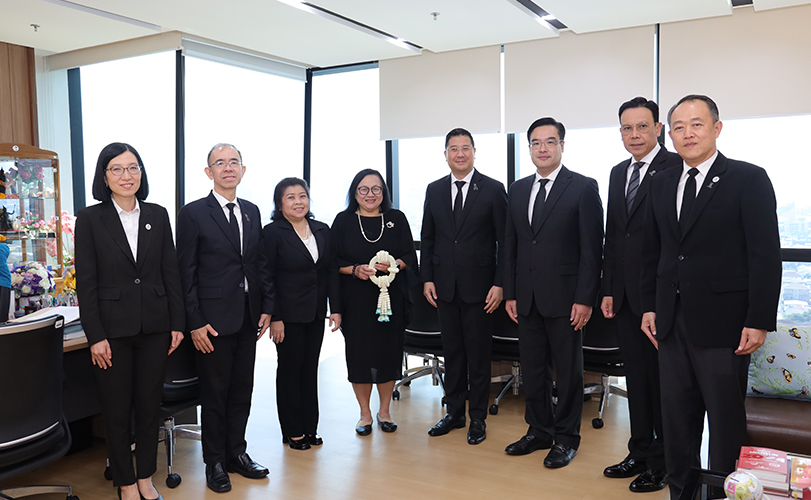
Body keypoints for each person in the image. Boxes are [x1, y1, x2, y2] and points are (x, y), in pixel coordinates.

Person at [640, 95, 782, 500]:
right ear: (670, 134)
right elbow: (654, 251)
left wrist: (758, 319)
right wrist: (649, 305)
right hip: (670, 322)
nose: (688, 133)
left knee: (724, 422)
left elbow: (765, 254)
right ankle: (681, 492)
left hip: (725, 324)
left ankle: (725, 493)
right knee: (677, 420)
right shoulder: (661, 182)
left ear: (716, 128)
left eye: (697, 124)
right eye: (679, 127)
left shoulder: (748, 178)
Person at [75, 142, 184, 500]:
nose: (127, 175)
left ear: (141, 173)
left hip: (155, 327)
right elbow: (86, 283)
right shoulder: (90, 219)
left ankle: (145, 477)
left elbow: (170, 272)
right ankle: (125, 482)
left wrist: (177, 323)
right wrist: (95, 335)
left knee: (149, 407)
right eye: (117, 169)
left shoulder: (158, 214)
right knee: (117, 410)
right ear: (104, 176)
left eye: (133, 167)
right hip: (111, 331)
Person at [503, 117, 604, 468]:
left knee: (568, 372)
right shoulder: (517, 189)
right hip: (526, 297)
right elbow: (511, 245)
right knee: (532, 370)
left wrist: (585, 298)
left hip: (567, 299)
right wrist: (511, 293)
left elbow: (592, 250)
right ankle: (539, 430)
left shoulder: (583, 187)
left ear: (562, 145)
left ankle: (566, 439)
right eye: (535, 143)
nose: (542, 148)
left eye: (549, 142)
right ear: (529, 148)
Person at [176, 143, 274, 493]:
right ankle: (214, 461)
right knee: (215, 394)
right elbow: (185, 272)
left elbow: (258, 263)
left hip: (248, 316)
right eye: (220, 163)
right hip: (211, 321)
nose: (228, 168)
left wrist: (267, 305)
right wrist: (194, 322)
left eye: (234, 162)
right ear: (209, 172)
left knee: (242, 390)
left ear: (243, 170)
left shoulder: (251, 211)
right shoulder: (193, 213)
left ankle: (237, 454)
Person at [600, 97, 680, 493]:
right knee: (636, 380)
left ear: (658, 129)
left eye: (642, 126)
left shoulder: (675, 167)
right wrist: (608, 290)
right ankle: (640, 451)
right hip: (625, 297)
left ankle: (664, 462)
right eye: (627, 128)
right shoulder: (618, 173)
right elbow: (614, 236)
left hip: (661, 298)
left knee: (663, 384)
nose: (635, 135)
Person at [421, 128, 507, 445]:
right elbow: (428, 237)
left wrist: (500, 284)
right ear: (445, 154)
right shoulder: (434, 190)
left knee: (478, 356)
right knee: (452, 354)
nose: (460, 154)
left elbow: (505, 241)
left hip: (481, 289)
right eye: (453, 149)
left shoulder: (493, 189)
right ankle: (454, 413)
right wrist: (427, 278)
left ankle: (478, 418)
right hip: (445, 287)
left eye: (465, 148)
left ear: (474, 152)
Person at [331, 169, 417, 436]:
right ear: (355, 193)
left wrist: (394, 265)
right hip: (355, 301)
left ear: (384, 192)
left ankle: (385, 412)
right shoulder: (343, 221)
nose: (370, 194)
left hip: (390, 301)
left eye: (376, 189)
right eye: (364, 189)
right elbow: (332, 262)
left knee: (388, 354)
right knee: (359, 357)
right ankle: (364, 414)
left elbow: (409, 255)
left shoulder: (396, 219)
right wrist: (355, 269)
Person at [262, 177, 341, 450]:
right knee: (290, 371)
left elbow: (330, 271)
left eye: (302, 196)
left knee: (310, 370)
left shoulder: (322, 229)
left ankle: (310, 427)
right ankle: (293, 430)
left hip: (315, 313)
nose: (298, 202)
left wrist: (335, 308)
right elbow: (267, 277)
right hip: (287, 316)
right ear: (279, 204)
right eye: (291, 197)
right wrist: (275, 317)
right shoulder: (272, 233)